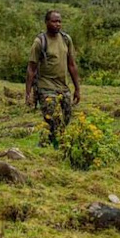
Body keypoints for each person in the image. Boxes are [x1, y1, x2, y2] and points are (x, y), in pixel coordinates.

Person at [25, 10, 81, 146]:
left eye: (59, 21)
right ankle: (55, 146)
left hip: (63, 86)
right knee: (53, 119)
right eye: (54, 21)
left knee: (67, 116)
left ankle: (46, 142)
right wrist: (28, 93)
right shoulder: (40, 42)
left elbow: (72, 65)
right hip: (46, 87)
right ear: (46, 22)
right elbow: (31, 68)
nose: (58, 24)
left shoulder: (66, 39)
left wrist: (77, 89)